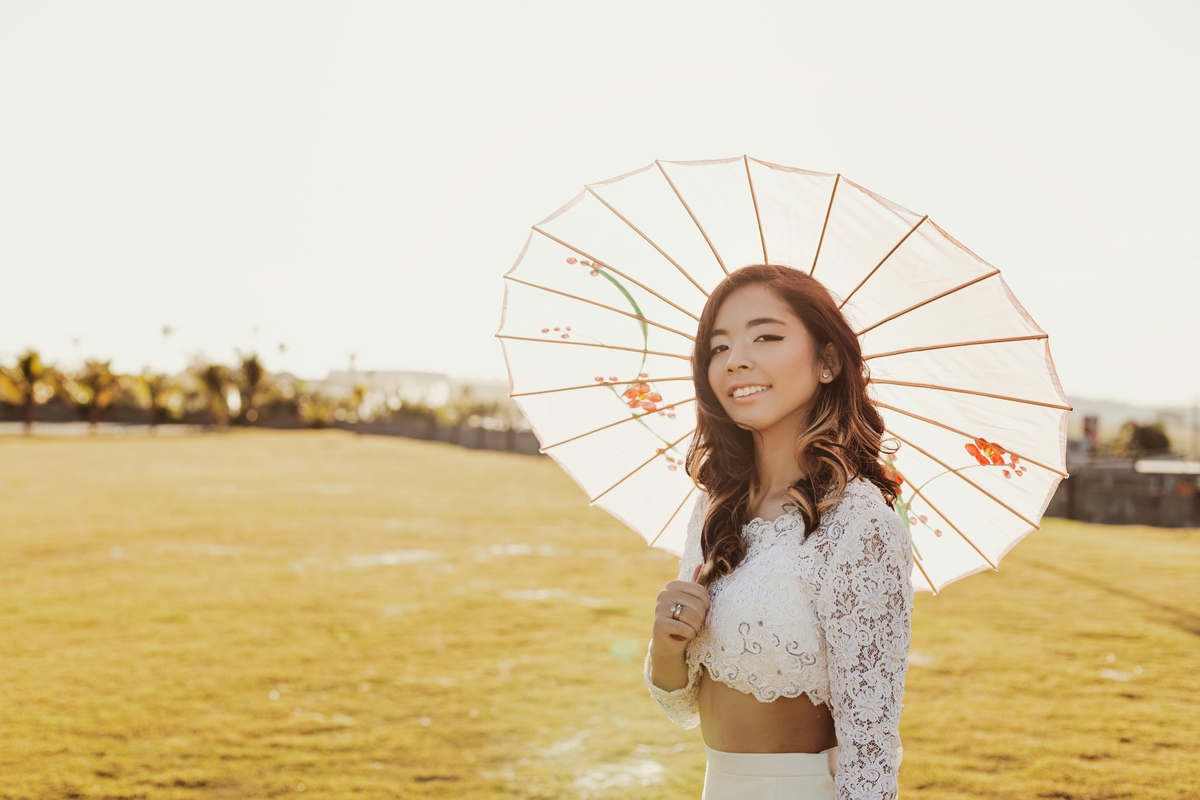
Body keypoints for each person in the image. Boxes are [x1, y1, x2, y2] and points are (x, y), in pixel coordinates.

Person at [644, 264, 913, 800]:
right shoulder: (715, 507)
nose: (736, 359)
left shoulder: (859, 523)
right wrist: (667, 642)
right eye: (718, 347)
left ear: (829, 361)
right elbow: (680, 703)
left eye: (766, 336)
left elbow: (871, 743)